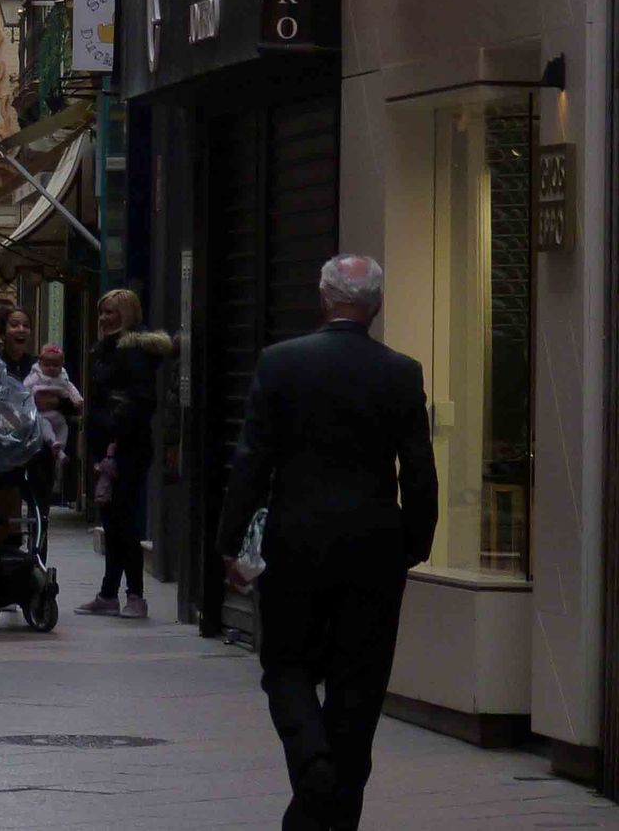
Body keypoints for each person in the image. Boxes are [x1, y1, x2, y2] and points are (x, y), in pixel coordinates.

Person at [217, 255, 437, 831]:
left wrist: (229, 541)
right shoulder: (401, 371)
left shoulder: (280, 363)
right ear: (377, 305)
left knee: (286, 665)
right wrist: (414, 541)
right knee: (358, 686)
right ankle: (333, 805)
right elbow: (418, 468)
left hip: (296, 544)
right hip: (374, 548)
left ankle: (312, 759)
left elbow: (251, 461)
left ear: (323, 298)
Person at [76, 286, 172, 621]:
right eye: (101, 312)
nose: (103, 318)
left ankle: (134, 595)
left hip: (124, 448)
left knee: (124, 523)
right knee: (113, 522)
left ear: (127, 314)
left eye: (111, 312)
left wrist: (108, 422)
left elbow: (141, 401)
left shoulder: (129, 352)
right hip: (109, 446)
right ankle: (108, 593)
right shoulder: (109, 348)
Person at [22, 344, 84, 456]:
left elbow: (70, 388)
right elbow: (25, 387)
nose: (51, 368)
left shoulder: (63, 377)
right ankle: (53, 442)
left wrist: (77, 399)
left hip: (56, 412)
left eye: (55, 365)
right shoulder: (36, 376)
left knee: (62, 426)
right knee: (45, 426)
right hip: (41, 414)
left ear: (61, 366)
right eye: (47, 365)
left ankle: (60, 449)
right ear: (40, 364)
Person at [0, 306, 35, 380]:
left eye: (26, 325)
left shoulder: (37, 366)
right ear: (3, 333)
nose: (21, 330)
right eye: (14, 325)